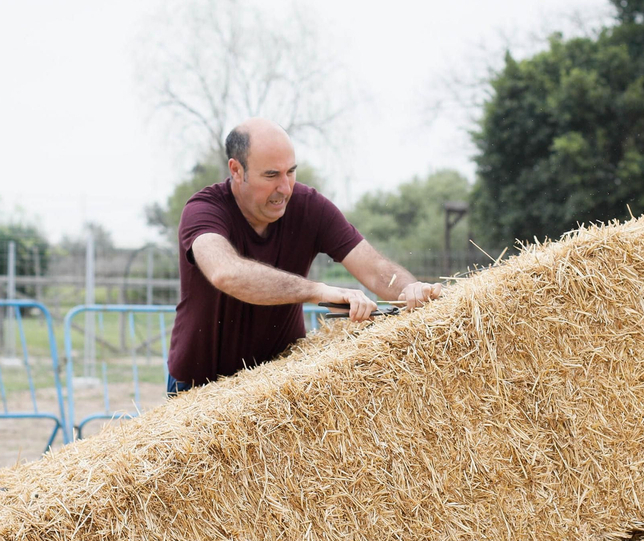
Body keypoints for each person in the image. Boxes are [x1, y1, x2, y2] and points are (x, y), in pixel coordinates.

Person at [166, 118, 442, 392]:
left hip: (279, 387)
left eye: (291, 172)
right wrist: (317, 291)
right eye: (271, 175)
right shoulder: (203, 211)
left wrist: (410, 290)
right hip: (196, 387)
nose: (285, 188)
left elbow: (373, 266)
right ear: (237, 170)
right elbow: (227, 273)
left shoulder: (310, 207)